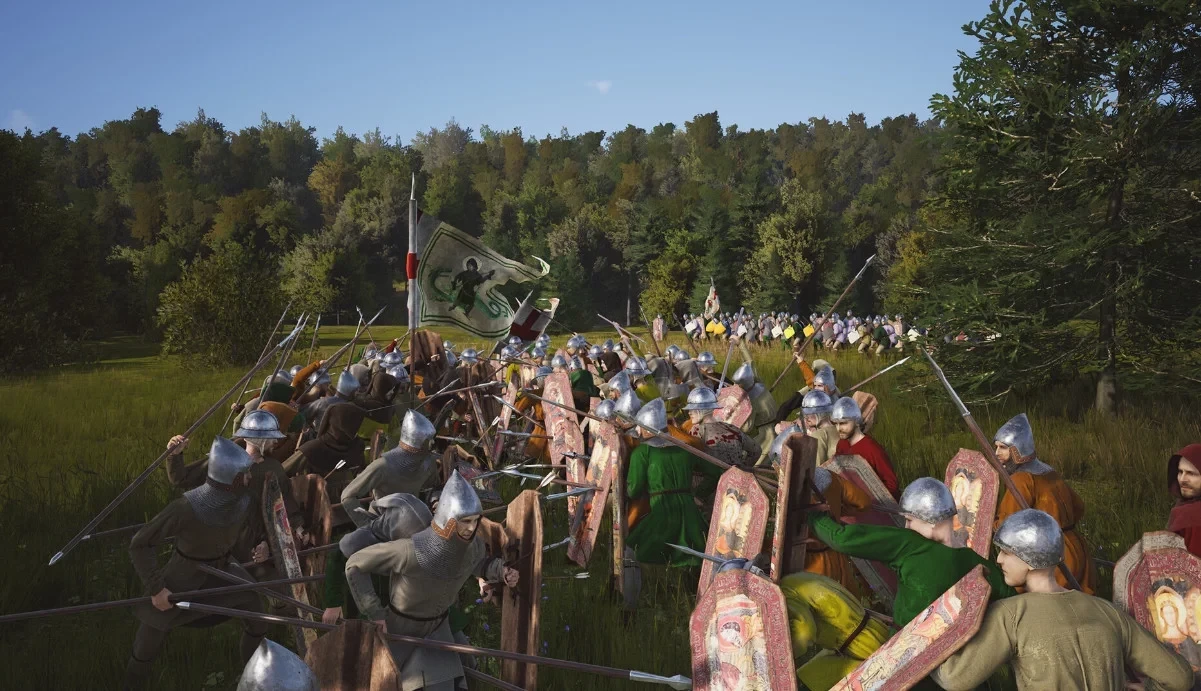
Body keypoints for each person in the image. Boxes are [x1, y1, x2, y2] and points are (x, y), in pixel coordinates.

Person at [932, 510, 1194, 691]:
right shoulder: (1107, 611)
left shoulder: (1010, 615)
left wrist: (926, 648)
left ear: (1030, 559)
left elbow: (956, 678)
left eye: (1007, 553)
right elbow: (1180, 678)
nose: (998, 560)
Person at [345, 471, 518, 691]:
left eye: (476, 521)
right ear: (448, 520)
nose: (471, 527)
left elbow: (478, 563)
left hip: (438, 628)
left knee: (450, 678)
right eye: (465, 521)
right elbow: (355, 564)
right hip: (400, 629)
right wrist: (375, 613)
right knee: (384, 683)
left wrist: (502, 572)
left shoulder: (472, 546)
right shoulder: (409, 552)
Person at [125, 437, 269, 690]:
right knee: (148, 641)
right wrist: (157, 588)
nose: (250, 478)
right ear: (232, 479)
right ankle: (131, 685)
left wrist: (263, 543)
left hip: (224, 571)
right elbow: (140, 543)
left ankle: (252, 678)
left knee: (257, 614)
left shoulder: (245, 500)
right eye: (245, 475)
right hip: (184, 577)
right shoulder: (186, 507)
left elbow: (257, 525)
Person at [807, 477, 1017, 627]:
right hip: (949, 657)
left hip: (904, 649)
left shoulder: (910, 543)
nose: (906, 527)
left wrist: (812, 515)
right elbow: (1010, 600)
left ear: (931, 521)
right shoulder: (975, 562)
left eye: (909, 520)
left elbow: (842, 539)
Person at [992, 413, 1097, 594]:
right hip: (1076, 547)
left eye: (1003, 447)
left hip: (1049, 556)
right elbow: (1079, 507)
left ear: (1017, 450)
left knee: (1044, 604)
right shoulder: (1049, 471)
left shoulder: (1021, 480)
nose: (996, 453)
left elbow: (1008, 525)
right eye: (996, 447)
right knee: (1079, 602)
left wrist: (986, 523)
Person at [625, 399, 724, 566]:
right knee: (698, 553)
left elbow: (634, 490)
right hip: (689, 511)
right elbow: (715, 472)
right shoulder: (685, 449)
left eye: (640, 427)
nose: (638, 431)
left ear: (647, 429)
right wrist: (698, 493)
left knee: (641, 551)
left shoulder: (642, 452)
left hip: (660, 509)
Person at [340, 411, 440, 525]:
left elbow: (434, 487)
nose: (433, 442)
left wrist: (435, 500)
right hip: (382, 524)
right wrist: (368, 525)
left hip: (412, 522)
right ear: (418, 442)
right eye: (429, 439)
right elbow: (347, 496)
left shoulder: (428, 462)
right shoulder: (383, 466)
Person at [803, 467, 872, 597]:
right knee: (849, 599)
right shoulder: (829, 476)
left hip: (809, 565)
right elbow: (863, 502)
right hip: (836, 552)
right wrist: (838, 513)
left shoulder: (786, 489)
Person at [831, 397, 898, 499]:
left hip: (872, 504)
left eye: (843, 423)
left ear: (856, 421)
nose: (838, 428)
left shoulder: (872, 449)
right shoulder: (842, 444)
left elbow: (892, 485)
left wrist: (872, 502)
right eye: (836, 424)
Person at [681, 388, 760, 469]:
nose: (689, 413)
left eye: (693, 409)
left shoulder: (696, 431)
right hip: (735, 475)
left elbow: (689, 460)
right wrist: (742, 469)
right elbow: (756, 451)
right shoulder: (732, 429)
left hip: (712, 476)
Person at [1168, 445, 1201, 555]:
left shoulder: (1192, 516)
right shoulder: (1184, 506)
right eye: (1180, 472)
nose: (1182, 479)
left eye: (1191, 473)